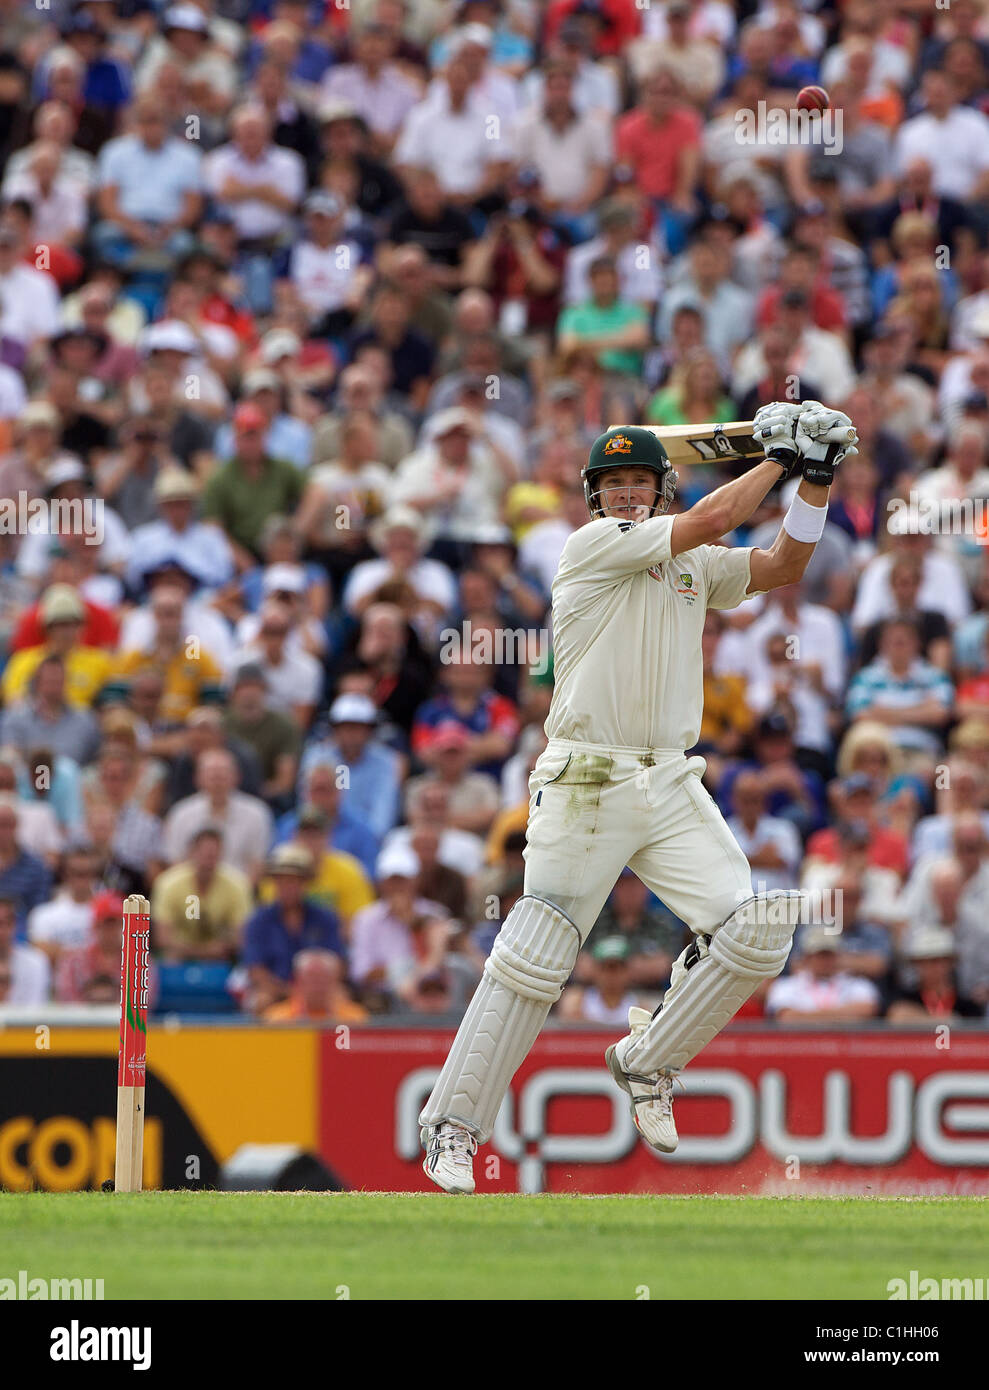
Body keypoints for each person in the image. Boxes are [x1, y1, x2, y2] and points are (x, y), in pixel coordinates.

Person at [419, 399, 859, 1191]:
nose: (625, 494)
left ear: (658, 487)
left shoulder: (692, 562)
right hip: (586, 771)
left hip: (668, 775)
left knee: (756, 933)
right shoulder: (591, 546)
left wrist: (816, 481)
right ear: (596, 498)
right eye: (612, 484)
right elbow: (718, 512)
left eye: (637, 482)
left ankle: (646, 1062)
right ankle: (453, 1128)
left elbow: (783, 565)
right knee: (538, 953)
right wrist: (780, 458)